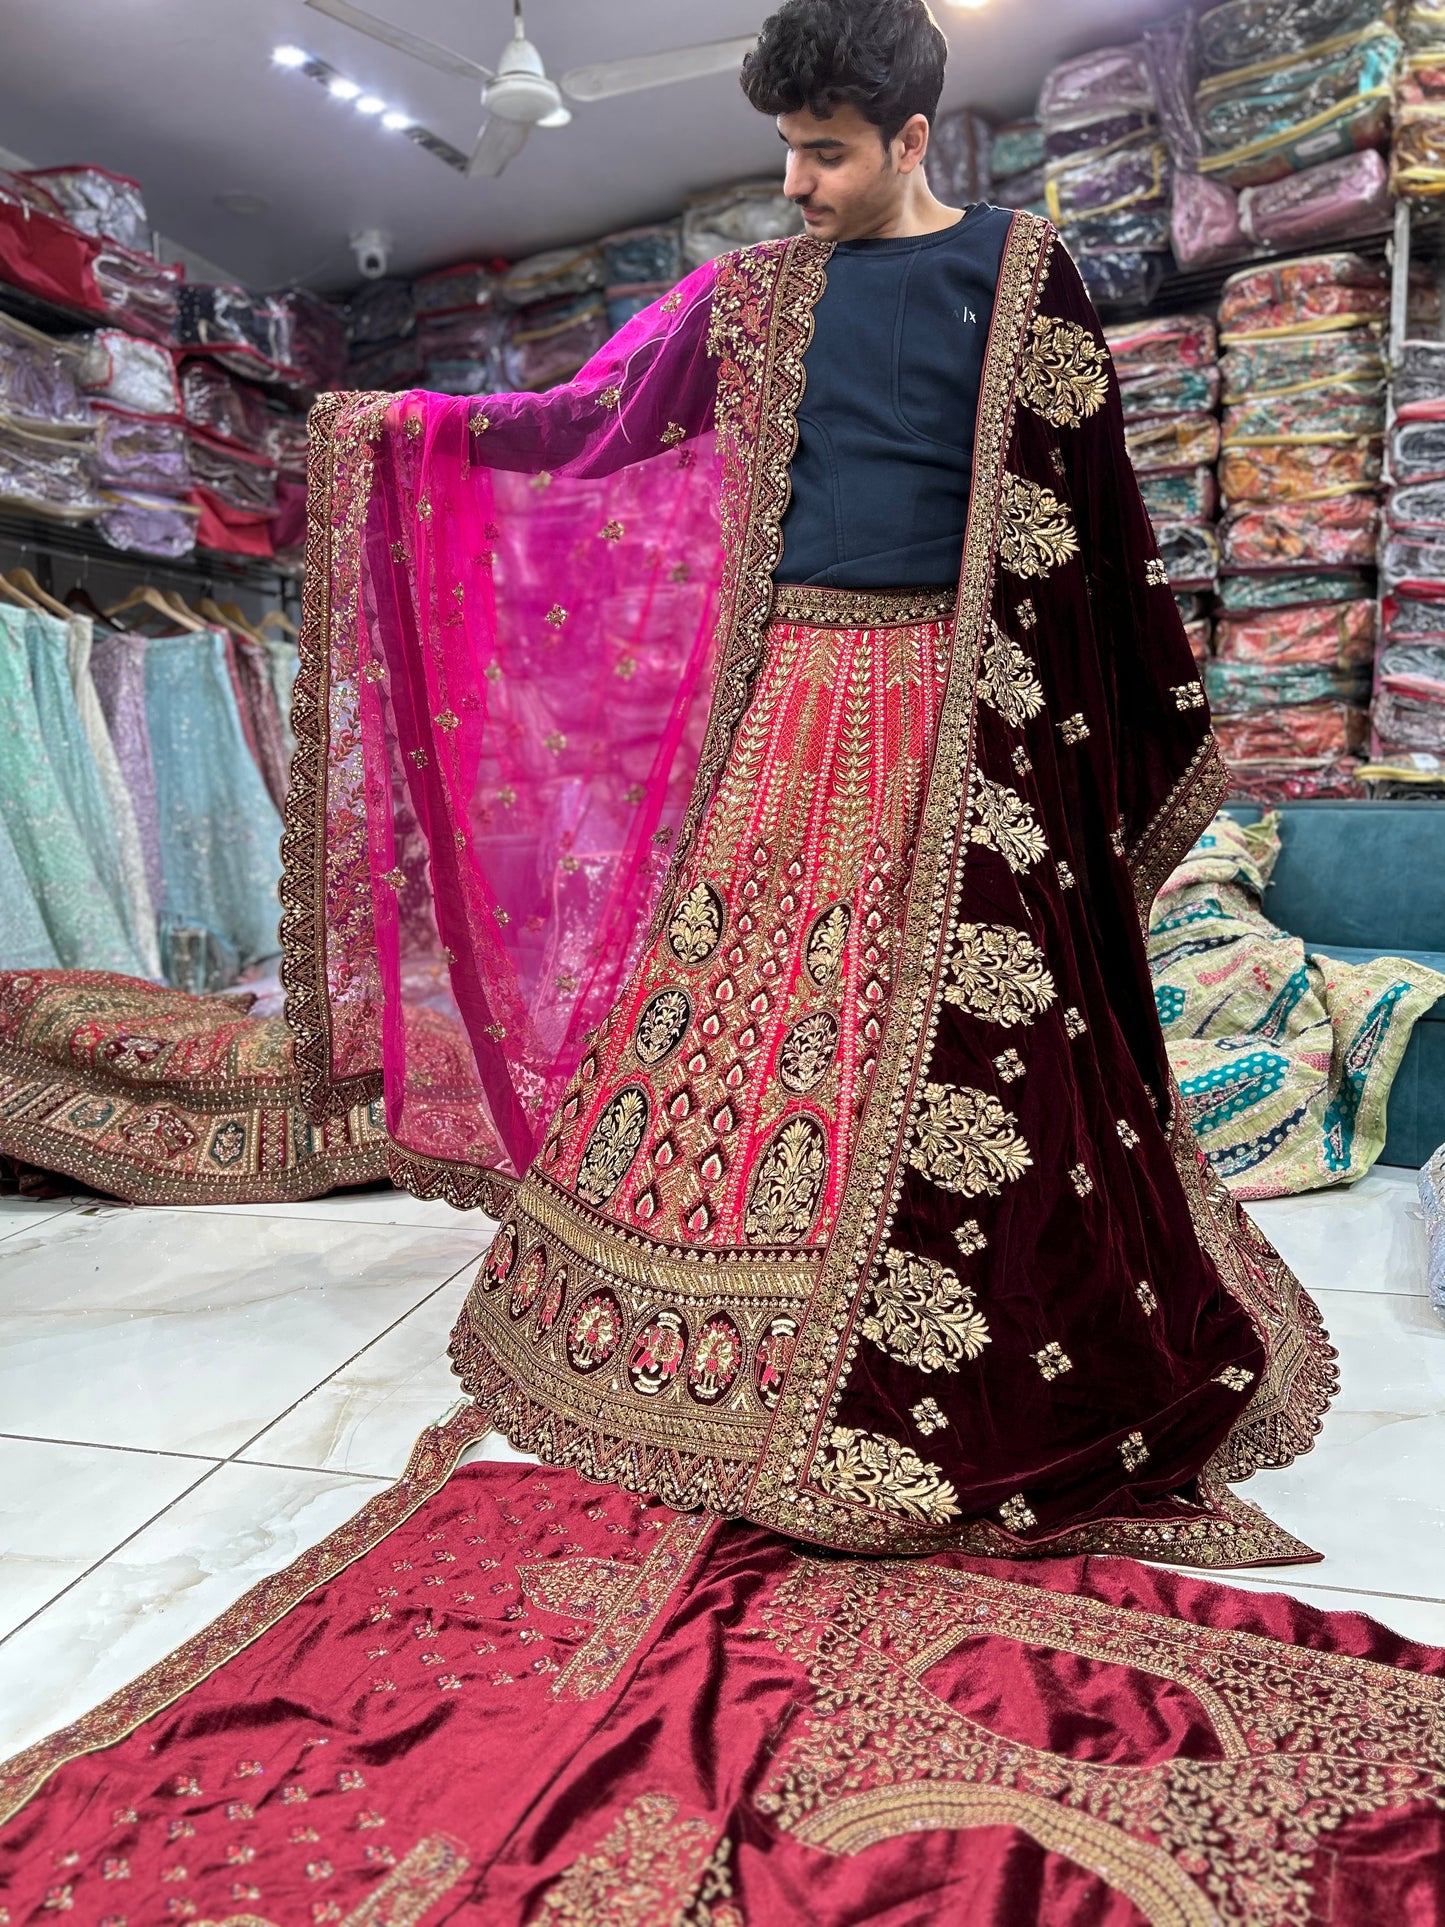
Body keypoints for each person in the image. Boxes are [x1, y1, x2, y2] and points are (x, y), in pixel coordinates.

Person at [284, 0, 1334, 1563]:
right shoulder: (750, 300)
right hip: (789, 706)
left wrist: (1082, 744)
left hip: (965, 709)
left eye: (824, 151)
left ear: (914, 141)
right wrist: (402, 428)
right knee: (751, 1012)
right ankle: (726, 1336)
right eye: (784, 146)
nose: (793, 181)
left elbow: (1091, 514)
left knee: (966, 1048)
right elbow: (585, 426)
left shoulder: (1016, 270)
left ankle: (945, 1344)